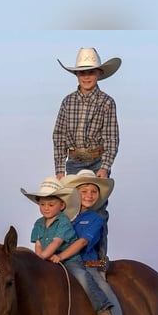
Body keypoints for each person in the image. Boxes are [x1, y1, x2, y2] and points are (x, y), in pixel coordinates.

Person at [53, 47, 121, 266]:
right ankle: (69, 253)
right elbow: (59, 135)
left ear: (99, 73)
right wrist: (59, 169)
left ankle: (99, 257)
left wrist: (105, 167)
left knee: (97, 208)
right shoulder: (67, 102)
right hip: (73, 161)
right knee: (70, 207)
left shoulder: (106, 102)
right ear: (76, 75)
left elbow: (111, 137)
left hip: (96, 159)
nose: (87, 76)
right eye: (83, 72)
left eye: (91, 72)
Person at [21, 177, 115, 315]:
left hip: (78, 260)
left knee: (84, 277)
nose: (46, 208)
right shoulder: (40, 222)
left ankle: (104, 309)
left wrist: (48, 256)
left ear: (62, 205)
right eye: (42, 204)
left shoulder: (68, 220)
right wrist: (39, 258)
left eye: (51, 204)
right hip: (50, 258)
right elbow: (38, 243)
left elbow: (60, 242)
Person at [54, 170, 132, 315]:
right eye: (84, 191)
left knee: (104, 289)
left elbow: (84, 243)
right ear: (74, 193)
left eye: (93, 192)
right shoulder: (63, 217)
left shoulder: (95, 219)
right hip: (58, 263)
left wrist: (62, 256)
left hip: (85, 264)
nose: (89, 195)